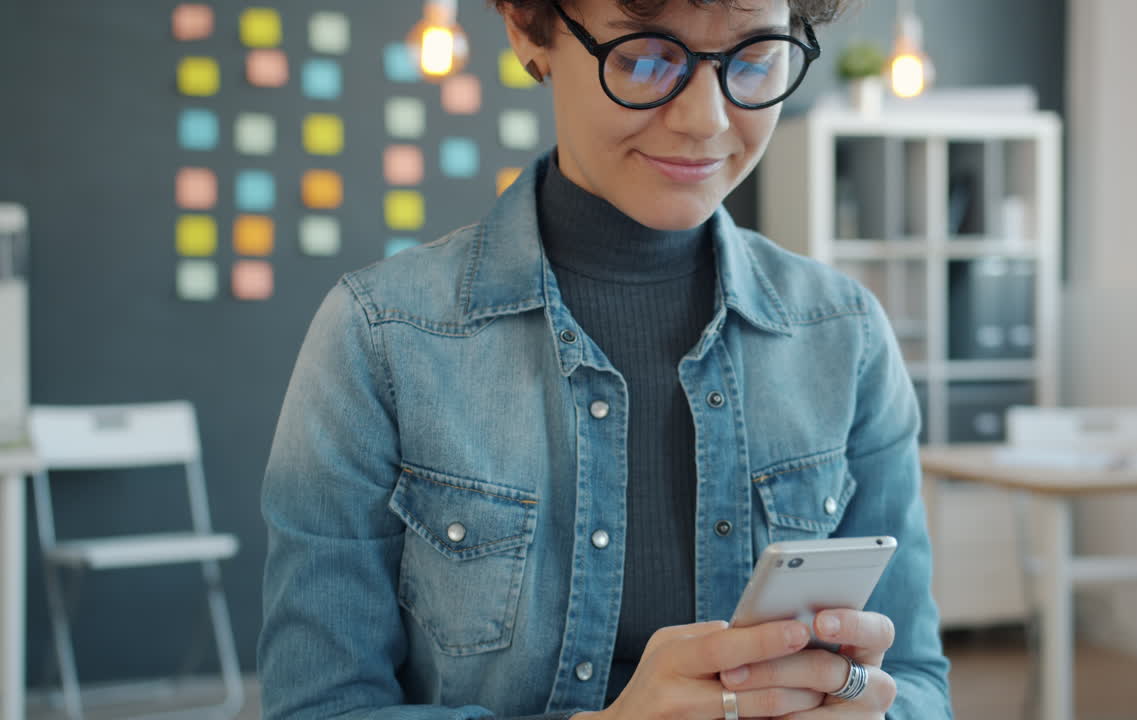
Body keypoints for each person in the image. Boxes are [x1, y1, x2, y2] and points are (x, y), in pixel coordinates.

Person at [258, 0, 952, 717]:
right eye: (647, 59)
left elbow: (919, 681)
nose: (705, 120)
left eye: (752, 61)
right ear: (531, 31)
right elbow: (319, 705)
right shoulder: (381, 336)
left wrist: (866, 704)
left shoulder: (845, 336)